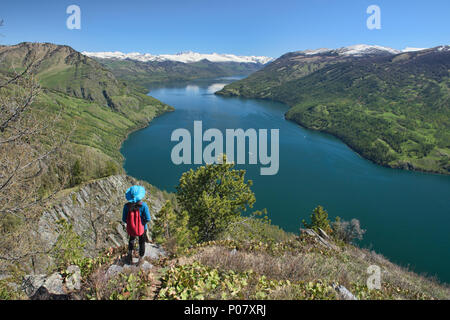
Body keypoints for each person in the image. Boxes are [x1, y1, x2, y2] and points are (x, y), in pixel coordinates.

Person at [122, 185, 151, 265]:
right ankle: (140, 259)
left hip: (131, 228)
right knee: (142, 242)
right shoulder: (144, 205)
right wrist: (141, 224)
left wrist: (132, 223)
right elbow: (148, 219)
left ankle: (129, 255)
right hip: (142, 228)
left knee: (131, 240)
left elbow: (124, 219)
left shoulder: (126, 206)